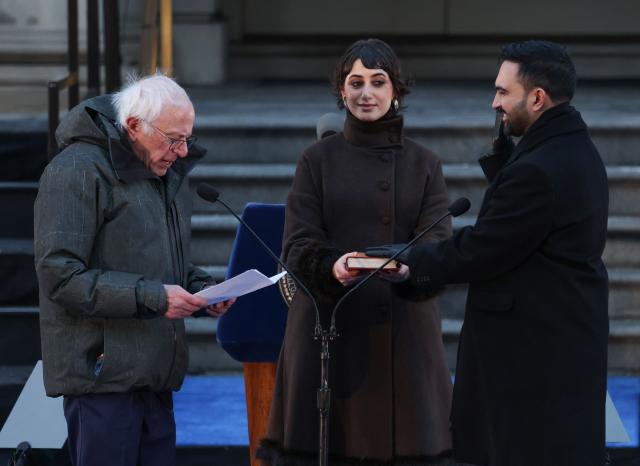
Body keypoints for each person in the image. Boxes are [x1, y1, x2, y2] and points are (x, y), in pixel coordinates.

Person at [368, 40, 609, 466]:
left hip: (529, 358)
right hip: (558, 343)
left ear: (537, 98)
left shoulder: (539, 169)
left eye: (503, 92)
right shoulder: (571, 147)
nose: (494, 102)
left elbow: (483, 250)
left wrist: (408, 262)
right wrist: (507, 163)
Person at [258, 38, 454, 465]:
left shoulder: (425, 163)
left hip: (403, 332)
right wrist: (333, 267)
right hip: (329, 328)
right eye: (356, 82)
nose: (367, 93)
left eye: (378, 82)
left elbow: (438, 243)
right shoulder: (316, 160)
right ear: (342, 92)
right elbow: (298, 243)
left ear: (395, 91)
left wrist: (408, 267)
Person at [33, 74, 234, 466]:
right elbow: (60, 275)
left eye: (187, 139)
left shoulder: (161, 173)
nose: (181, 151)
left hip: (153, 372)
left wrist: (202, 289)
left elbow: (157, 260)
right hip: (101, 376)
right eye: (173, 138)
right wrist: (155, 297)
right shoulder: (75, 170)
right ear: (134, 126)